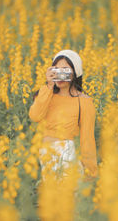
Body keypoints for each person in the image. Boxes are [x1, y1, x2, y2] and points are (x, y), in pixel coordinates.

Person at [29, 50, 98, 181]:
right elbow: (35, 116)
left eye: (65, 70)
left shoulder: (84, 101)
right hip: (46, 156)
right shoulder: (47, 95)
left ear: (75, 72)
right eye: (56, 69)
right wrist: (49, 85)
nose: (60, 74)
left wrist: (91, 172)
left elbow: (87, 139)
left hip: (69, 156)